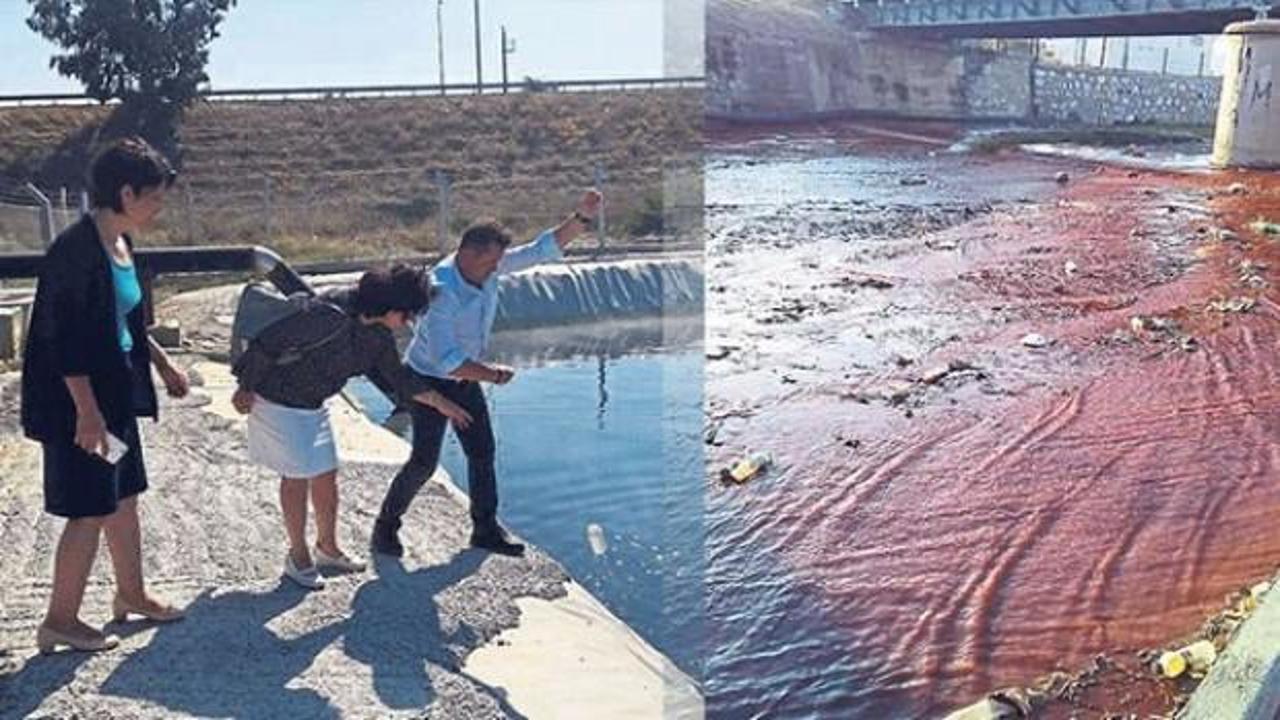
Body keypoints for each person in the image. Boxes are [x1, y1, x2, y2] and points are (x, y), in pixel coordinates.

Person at [21, 137, 191, 654]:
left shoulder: (121, 243)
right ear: (125, 193)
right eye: (154, 197)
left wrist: (162, 364)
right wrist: (87, 413)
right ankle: (60, 620)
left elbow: (128, 319)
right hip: (78, 409)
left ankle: (131, 593)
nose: (159, 206)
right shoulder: (74, 252)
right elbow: (62, 341)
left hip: (113, 401)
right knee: (89, 509)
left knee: (123, 495)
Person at [371, 190, 602, 558]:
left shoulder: (487, 265)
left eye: (498, 261)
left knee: (482, 452)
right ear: (468, 254)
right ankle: (385, 527)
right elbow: (447, 360)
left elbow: (539, 250)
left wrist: (582, 218)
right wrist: (493, 375)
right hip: (428, 381)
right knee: (424, 461)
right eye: (492, 262)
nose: (497, 269)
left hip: (465, 379)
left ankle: (485, 529)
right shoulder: (441, 292)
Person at [230, 265, 473, 589]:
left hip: (313, 403)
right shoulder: (327, 315)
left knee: (325, 473)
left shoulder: (377, 336)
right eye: (408, 315)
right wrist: (246, 387)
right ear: (391, 308)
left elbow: (398, 376)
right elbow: (267, 345)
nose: (409, 323)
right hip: (278, 398)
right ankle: (297, 557)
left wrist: (442, 403)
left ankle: (327, 548)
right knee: (296, 476)